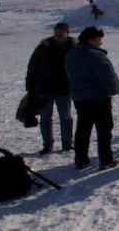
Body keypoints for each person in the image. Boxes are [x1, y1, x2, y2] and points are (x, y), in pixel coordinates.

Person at [64, 27, 119, 170]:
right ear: (90, 39)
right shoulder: (97, 56)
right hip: (99, 99)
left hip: (80, 99)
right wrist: (113, 90)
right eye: (98, 39)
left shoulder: (71, 55)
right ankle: (106, 160)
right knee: (104, 130)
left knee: (83, 129)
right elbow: (109, 77)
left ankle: (81, 159)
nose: (100, 43)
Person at [26, 22, 75, 155]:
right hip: (45, 88)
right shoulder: (43, 47)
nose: (58, 34)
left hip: (64, 88)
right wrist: (30, 87)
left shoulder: (73, 47)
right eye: (56, 32)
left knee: (66, 117)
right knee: (45, 117)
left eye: (61, 32)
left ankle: (67, 143)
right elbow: (32, 67)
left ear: (67, 33)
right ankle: (47, 144)